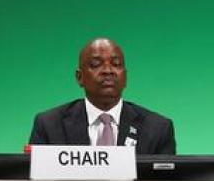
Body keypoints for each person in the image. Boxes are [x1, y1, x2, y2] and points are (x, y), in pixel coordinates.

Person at [28, 37, 177, 154]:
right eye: (96, 64)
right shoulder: (49, 125)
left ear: (125, 77)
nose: (108, 70)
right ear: (80, 77)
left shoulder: (158, 129)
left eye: (116, 64)